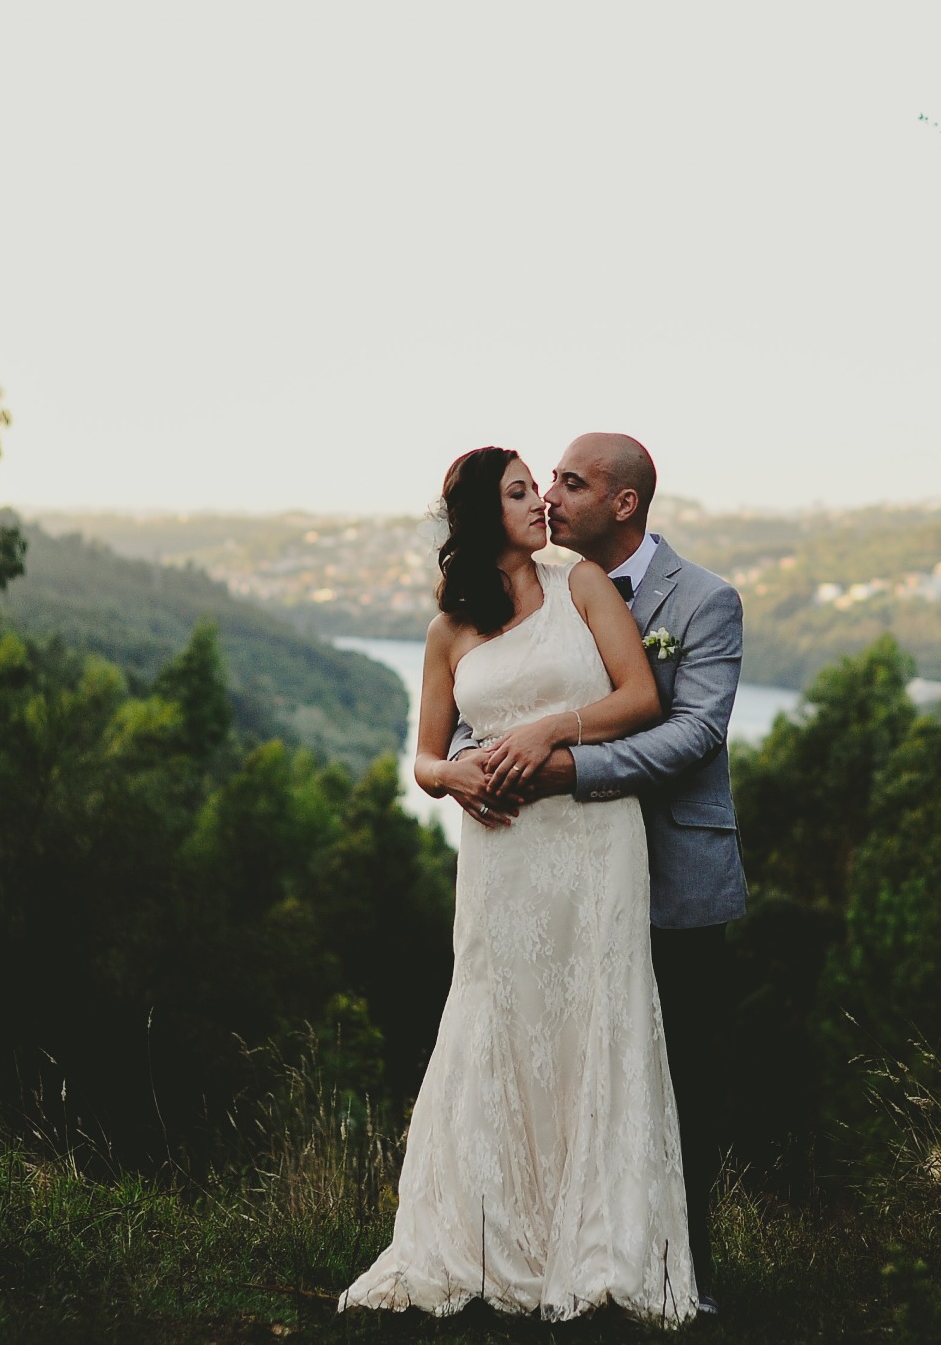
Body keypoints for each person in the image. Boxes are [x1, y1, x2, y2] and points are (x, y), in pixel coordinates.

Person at [339, 445, 697, 1325]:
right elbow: (424, 756)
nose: (541, 500)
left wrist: (545, 732)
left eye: (540, 485)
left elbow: (641, 694)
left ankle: (604, 1250)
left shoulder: (581, 585)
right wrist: (450, 777)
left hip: (592, 839)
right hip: (500, 856)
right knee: (500, 1017)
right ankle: (495, 1242)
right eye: (518, 491)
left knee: (595, 1017)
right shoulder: (448, 630)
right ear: (476, 514)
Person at [484, 432, 747, 1317]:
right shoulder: (540, 588)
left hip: (674, 874)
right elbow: (487, 698)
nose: (551, 494)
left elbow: (694, 732)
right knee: (572, 1067)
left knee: (681, 1082)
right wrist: (461, 766)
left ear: (624, 503)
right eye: (546, 479)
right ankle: (569, 1253)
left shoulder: (705, 601)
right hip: (561, 879)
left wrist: (568, 763)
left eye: (572, 481)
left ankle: (685, 1275)